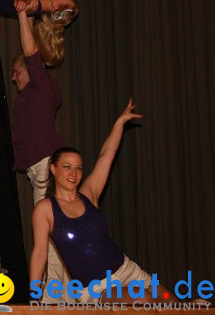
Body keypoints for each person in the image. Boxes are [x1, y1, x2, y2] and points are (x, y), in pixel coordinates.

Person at [29, 100, 175, 304]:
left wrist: (120, 123)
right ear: (53, 168)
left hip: (127, 271)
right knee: (144, 299)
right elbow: (39, 254)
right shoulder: (45, 209)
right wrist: (34, 298)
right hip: (96, 289)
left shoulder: (88, 194)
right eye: (67, 167)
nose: (73, 173)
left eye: (78, 168)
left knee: (174, 303)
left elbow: (107, 155)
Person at [11, 7, 70, 294]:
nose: (14, 78)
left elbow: (31, 52)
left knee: (45, 234)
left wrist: (23, 16)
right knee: (50, 232)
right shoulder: (31, 96)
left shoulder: (42, 86)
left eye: (17, 71)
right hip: (41, 170)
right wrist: (31, 16)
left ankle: (53, 296)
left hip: (48, 167)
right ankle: (63, 293)